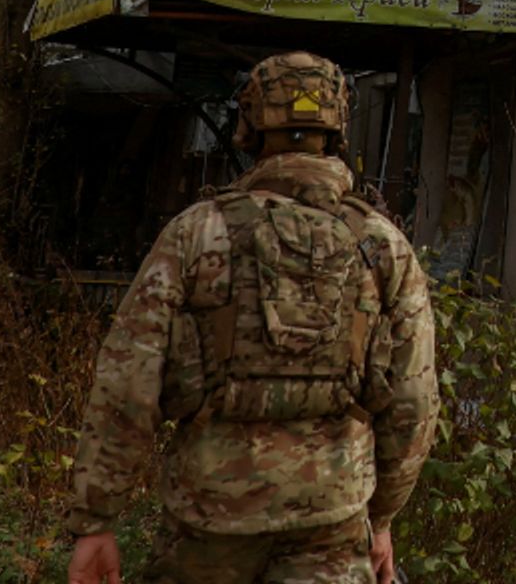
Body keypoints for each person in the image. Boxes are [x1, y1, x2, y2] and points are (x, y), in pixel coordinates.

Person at [65, 52, 437, 584]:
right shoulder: (382, 246)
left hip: (208, 519)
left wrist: (96, 520)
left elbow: (127, 382)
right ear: (338, 128)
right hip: (332, 518)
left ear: (251, 124)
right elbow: (414, 403)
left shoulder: (197, 233)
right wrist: (382, 519)